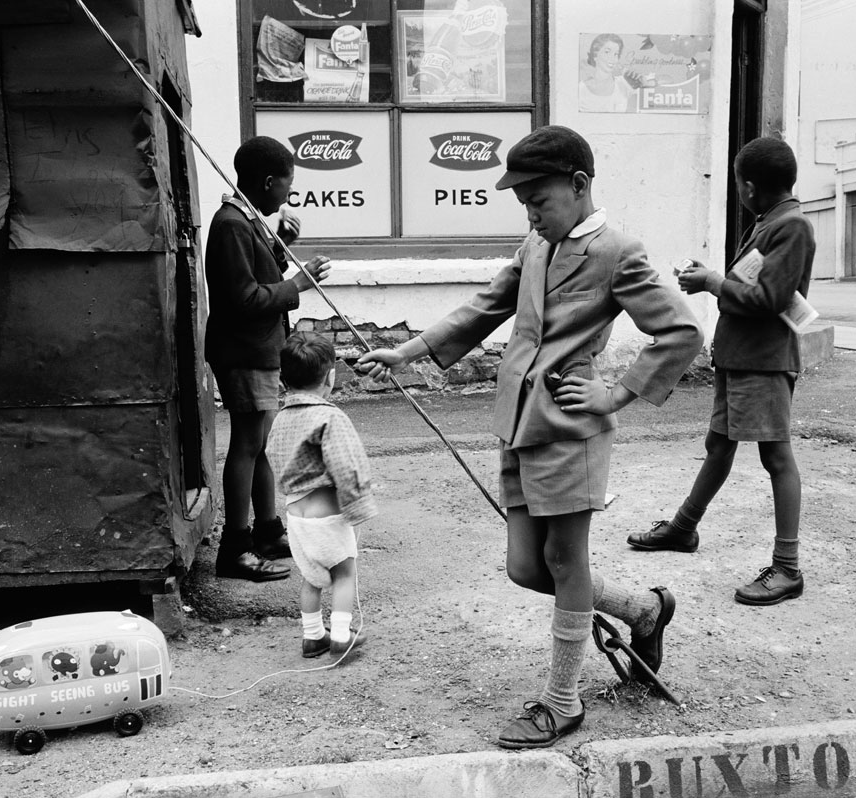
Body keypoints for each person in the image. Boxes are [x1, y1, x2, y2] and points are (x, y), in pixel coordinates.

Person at [358, 126, 702, 749]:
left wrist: (615, 394)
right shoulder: (536, 245)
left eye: (538, 200)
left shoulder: (618, 251)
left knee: (567, 562)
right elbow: (487, 306)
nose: (531, 214)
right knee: (525, 567)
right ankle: (644, 609)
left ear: (578, 185)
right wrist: (408, 351)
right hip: (518, 424)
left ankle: (563, 701)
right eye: (524, 204)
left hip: (571, 429)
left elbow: (680, 331)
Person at [628, 136, 815, 607]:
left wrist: (712, 281)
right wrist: (713, 278)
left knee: (776, 457)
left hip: (764, 363)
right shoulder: (769, 221)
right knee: (719, 446)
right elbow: (753, 283)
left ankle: (788, 568)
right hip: (741, 359)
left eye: (738, 184)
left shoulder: (792, 227)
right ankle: (683, 528)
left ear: (748, 187)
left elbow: (770, 299)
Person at [204, 136, 331, 582]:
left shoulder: (247, 219)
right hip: (244, 351)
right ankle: (235, 548)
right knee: (246, 445)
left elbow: (257, 274)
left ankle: (267, 532)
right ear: (268, 181)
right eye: (288, 184)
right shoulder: (231, 224)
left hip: (259, 349)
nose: (290, 193)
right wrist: (297, 285)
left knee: (261, 445)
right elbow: (243, 298)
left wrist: (281, 246)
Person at [268, 332, 374, 660]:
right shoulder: (330, 417)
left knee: (311, 578)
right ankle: (341, 635)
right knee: (344, 574)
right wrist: (359, 504)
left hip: (297, 518)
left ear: (283, 379)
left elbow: (273, 456)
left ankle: (313, 636)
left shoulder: (280, 419)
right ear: (330, 377)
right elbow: (346, 464)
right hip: (327, 516)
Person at [577, 34, 635, 113]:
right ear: (595, 55)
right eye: (607, 52)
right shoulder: (581, 89)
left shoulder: (624, 83)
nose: (612, 58)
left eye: (616, 54)